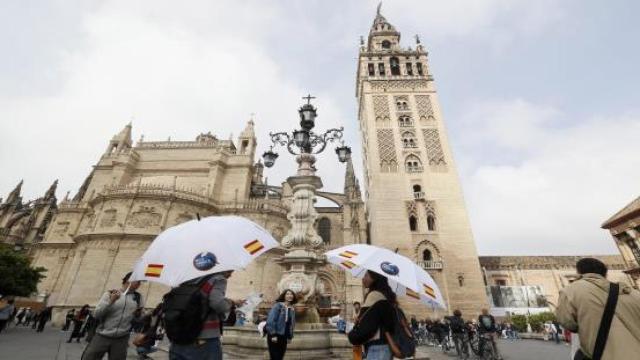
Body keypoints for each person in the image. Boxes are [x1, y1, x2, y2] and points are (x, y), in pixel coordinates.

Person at [556, 257, 640, 360]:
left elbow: (568, 323)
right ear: (605, 274)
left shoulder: (570, 291)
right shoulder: (633, 293)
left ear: (579, 273)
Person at [168, 270, 245, 360]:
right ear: (221, 267)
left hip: (178, 335)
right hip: (205, 337)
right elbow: (217, 304)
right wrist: (232, 303)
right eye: (229, 271)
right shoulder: (218, 279)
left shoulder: (185, 279)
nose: (230, 275)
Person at [81, 272, 143, 360]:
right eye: (138, 281)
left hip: (122, 338)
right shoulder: (110, 293)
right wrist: (111, 301)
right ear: (129, 281)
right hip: (102, 335)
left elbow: (139, 318)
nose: (139, 284)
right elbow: (97, 314)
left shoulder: (138, 298)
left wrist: (139, 315)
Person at [348, 270, 396, 360]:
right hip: (386, 347)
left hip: (376, 349)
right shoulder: (386, 296)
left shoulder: (374, 296)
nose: (363, 279)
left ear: (374, 278)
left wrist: (352, 335)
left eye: (366, 276)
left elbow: (367, 329)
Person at [265, 289, 297, 360]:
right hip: (275, 335)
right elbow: (271, 320)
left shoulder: (292, 309)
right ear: (284, 296)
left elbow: (291, 324)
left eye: (291, 294)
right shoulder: (278, 306)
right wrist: (273, 334)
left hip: (284, 336)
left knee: (280, 356)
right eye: (287, 294)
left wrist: (290, 336)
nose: (290, 296)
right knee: (275, 357)